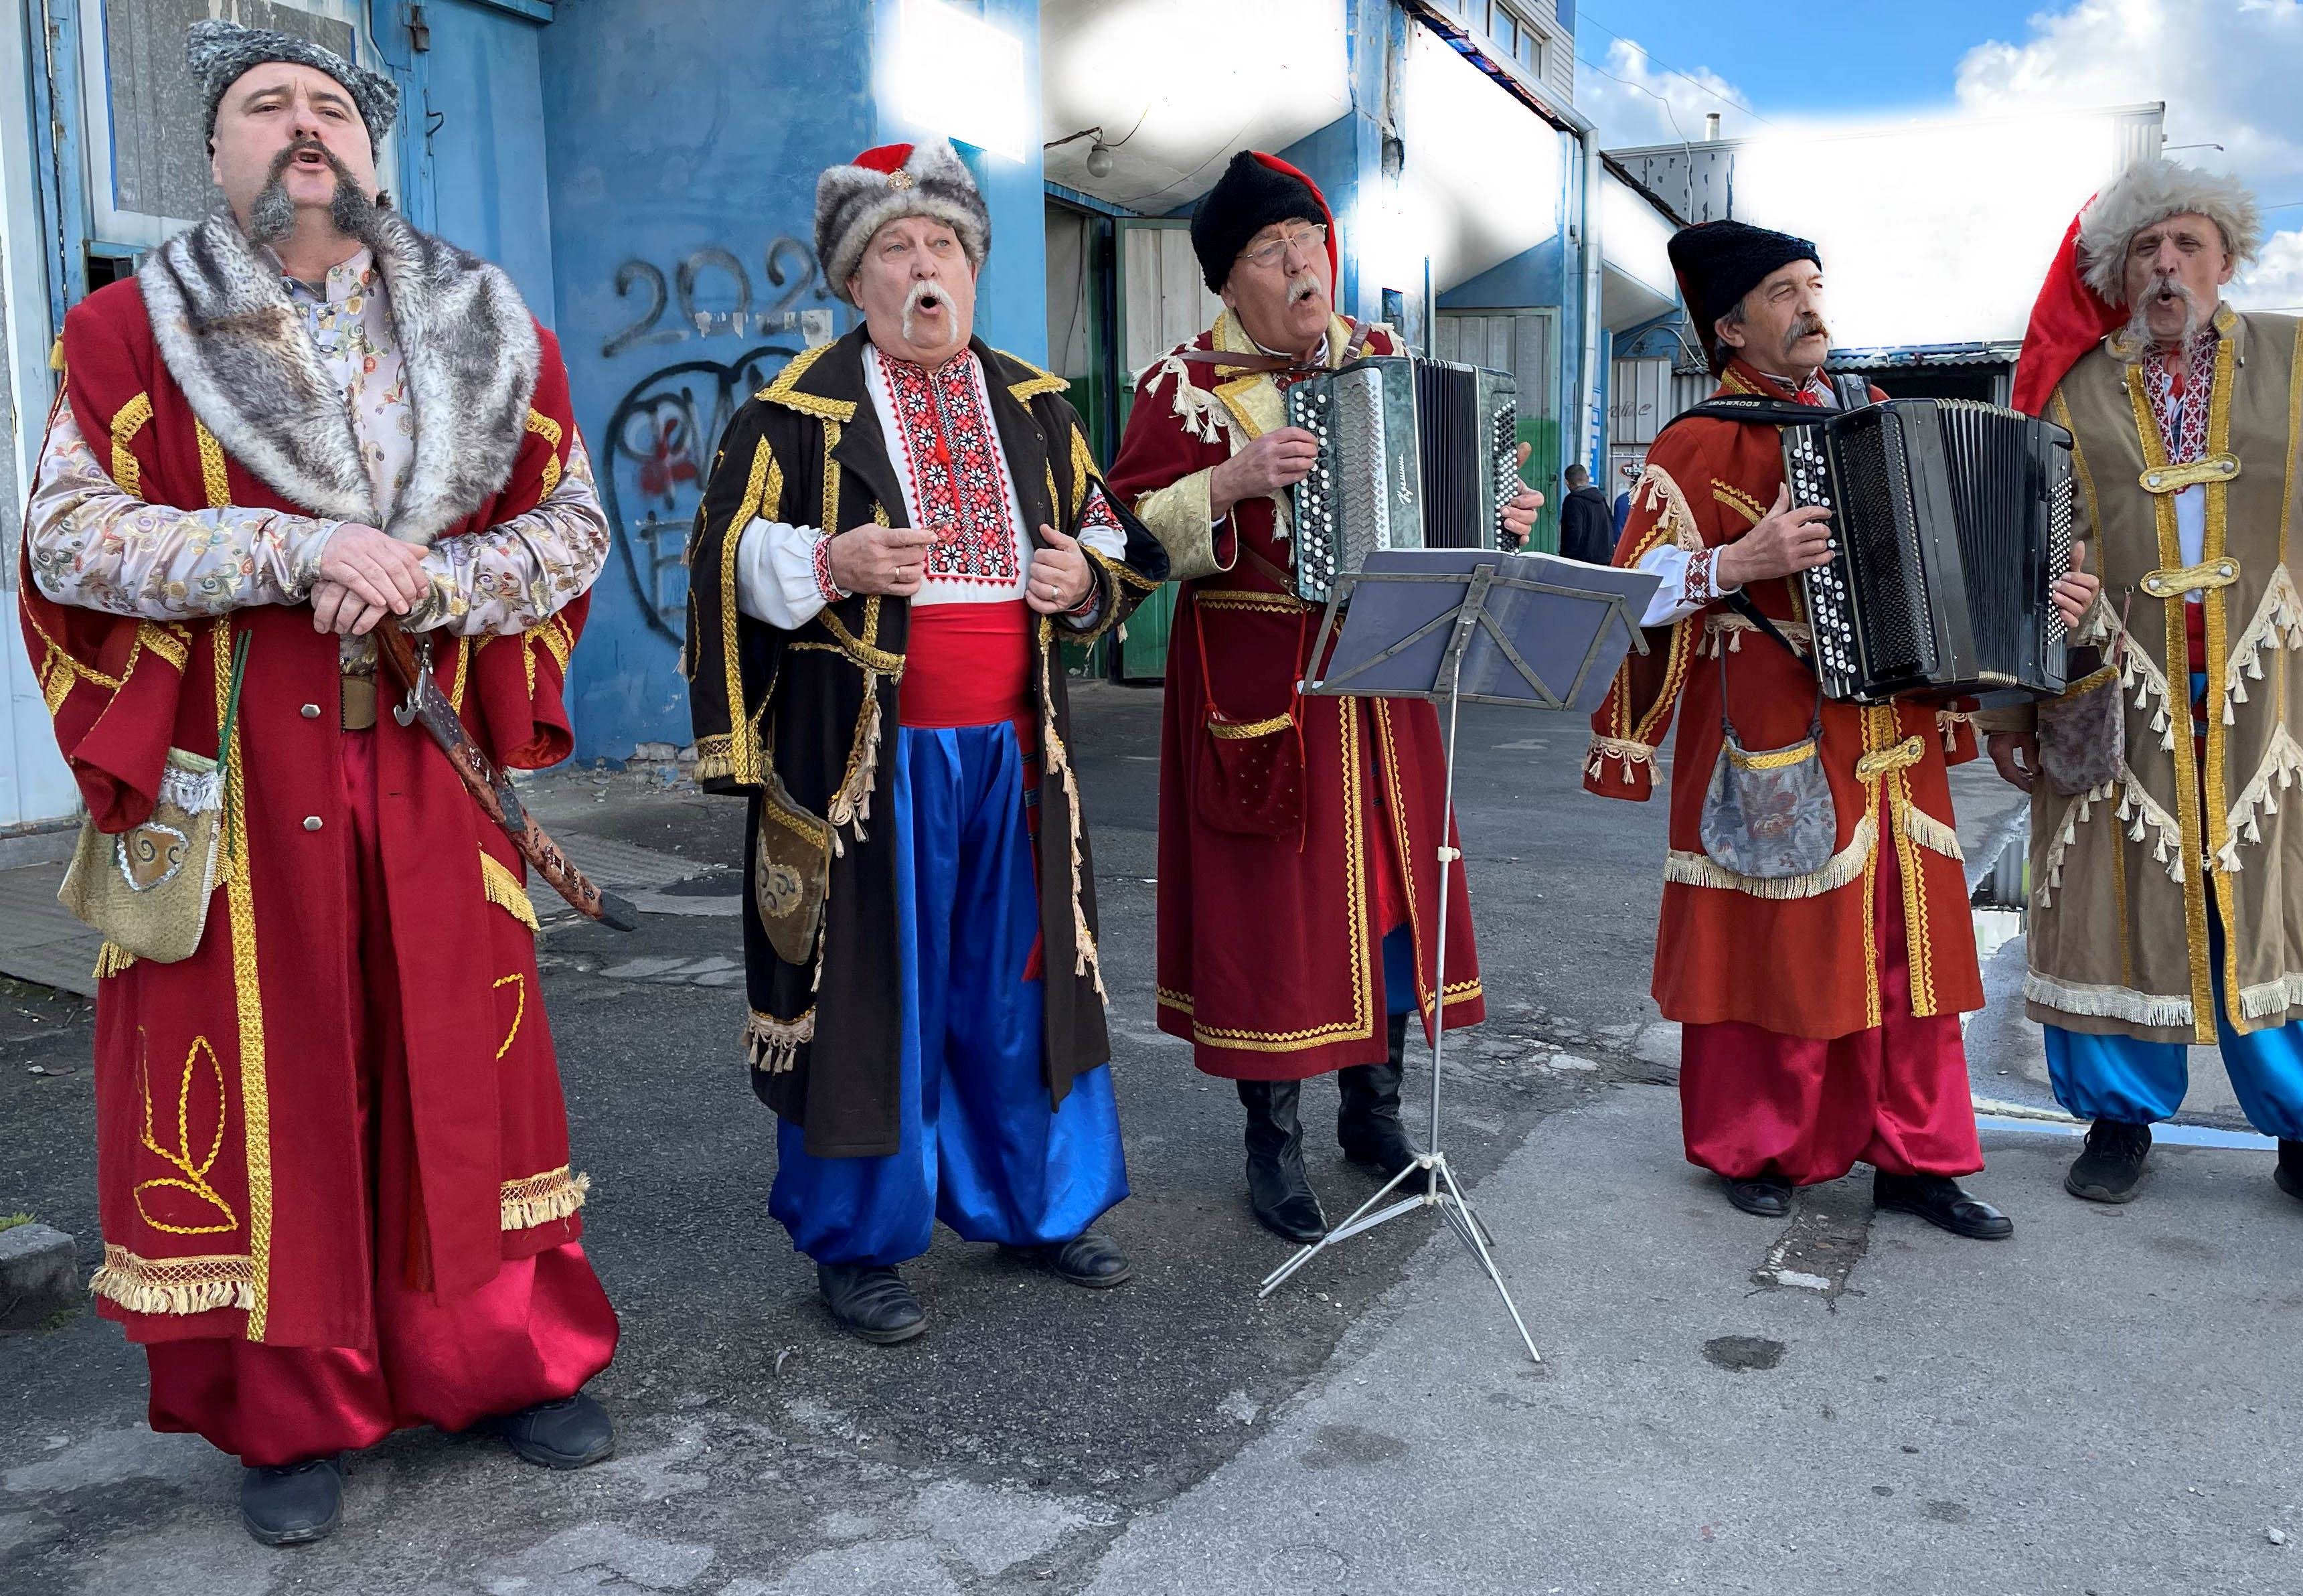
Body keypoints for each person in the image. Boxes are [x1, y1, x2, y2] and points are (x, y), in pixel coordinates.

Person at [19, 21, 616, 1544]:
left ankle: (509, 1362)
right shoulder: (127, 338)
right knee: (276, 1076)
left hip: (425, 753)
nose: (302, 126)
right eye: (262, 105)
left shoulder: (482, 324)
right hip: (230, 773)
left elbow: (572, 530)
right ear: (213, 158)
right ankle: (285, 1416)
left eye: (331, 106)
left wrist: (434, 578)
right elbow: (70, 542)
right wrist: (292, 548)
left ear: (372, 151)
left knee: (461, 1068)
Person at [684, 140, 1168, 1344]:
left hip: (1017, 756)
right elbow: (722, 564)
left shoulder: (1042, 407)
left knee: (1021, 985)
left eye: (942, 245)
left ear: (973, 264)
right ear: (856, 280)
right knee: (869, 1000)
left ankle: (1037, 1204)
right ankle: (859, 1242)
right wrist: (826, 561)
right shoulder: (790, 414)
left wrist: (1080, 578)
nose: (923, 268)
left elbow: (1117, 540)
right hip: (865, 765)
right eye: (895, 249)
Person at [1582, 220, 2099, 1236]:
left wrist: (2040, 606)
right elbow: (1625, 595)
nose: (1811, 304)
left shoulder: (1876, 419)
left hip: (1895, 736)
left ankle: (1920, 1158)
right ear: (1730, 327)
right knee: (1776, 938)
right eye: (1783, 291)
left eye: (1814, 284)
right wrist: (1739, 561)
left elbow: (1953, 583)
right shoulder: (1700, 440)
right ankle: (1761, 1144)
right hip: (1771, 718)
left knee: (1915, 949)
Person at [1105, 151, 1542, 1243]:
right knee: (1274, 925)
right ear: (1229, 281)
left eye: (1311, 240)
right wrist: (1228, 484)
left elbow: (1453, 517)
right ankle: (1274, 1144)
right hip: (1263, 686)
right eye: (1271, 249)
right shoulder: (1181, 389)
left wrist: (1505, 515)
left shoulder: (1387, 361)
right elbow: (1122, 536)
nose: (1302, 260)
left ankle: (1375, 1117)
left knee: (1393, 903)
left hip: (1385, 686)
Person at [1986, 159, 2303, 1208]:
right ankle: (2119, 1119)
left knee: (2274, 897)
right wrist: (2014, 702)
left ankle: (2300, 1121)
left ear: (2227, 256)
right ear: (2119, 274)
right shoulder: (2072, 389)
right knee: (2113, 898)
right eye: (2145, 251)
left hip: (2275, 687)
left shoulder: (2297, 360)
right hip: (2120, 683)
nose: (2166, 267)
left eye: (2186, 245)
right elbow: (2028, 548)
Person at [1559, 462, 1615, 564]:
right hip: (1604, 561)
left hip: (1581, 563)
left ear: (1567, 483)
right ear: (1588, 479)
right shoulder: (1601, 500)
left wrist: (1566, 558)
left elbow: (1574, 531)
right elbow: (1611, 526)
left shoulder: (1572, 501)